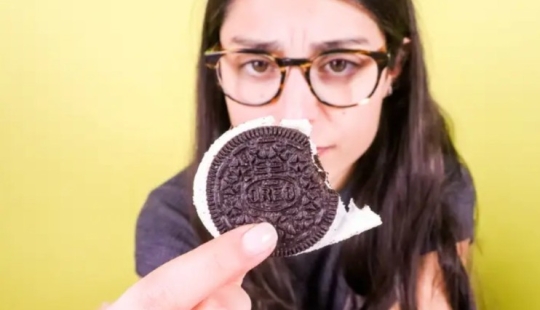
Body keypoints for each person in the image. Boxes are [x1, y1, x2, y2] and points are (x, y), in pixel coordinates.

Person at [111, 0, 478, 309]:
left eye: (339, 63)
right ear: (219, 72)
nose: (295, 116)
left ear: (395, 67)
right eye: (258, 64)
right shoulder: (173, 218)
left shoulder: (434, 178)